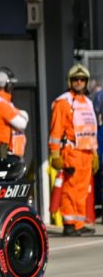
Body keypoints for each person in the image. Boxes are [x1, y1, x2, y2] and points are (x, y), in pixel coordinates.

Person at [49, 64, 98, 236]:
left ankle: (79, 222)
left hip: (86, 153)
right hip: (71, 152)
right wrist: (55, 154)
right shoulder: (63, 102)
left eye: (82, 79)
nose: (79, 82)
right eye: (75, 79)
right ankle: (70, 223)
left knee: (83, 191)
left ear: (86, 82)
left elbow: (91, 129)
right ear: (70, 81)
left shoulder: (88, 103)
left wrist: (95, 153)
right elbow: (55, 131)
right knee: (70, 190)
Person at [0, 67, 28, 162]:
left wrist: (22, 114)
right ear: (5, 85)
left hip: (8, 151)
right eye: (11, 84)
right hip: (5, 152)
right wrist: (23, 114)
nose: (12, 87)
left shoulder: (2, 102)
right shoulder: (0, 104)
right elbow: (22, 123)